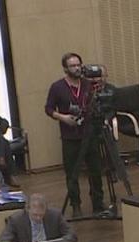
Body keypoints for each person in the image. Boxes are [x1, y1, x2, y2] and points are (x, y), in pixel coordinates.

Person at [45, 52, 104, 219]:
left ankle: (98, 203)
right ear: (65, 69)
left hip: (89, 133)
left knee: (95, 170)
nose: (77, 68)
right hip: (70, 136)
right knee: (72, 173)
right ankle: (75, 204)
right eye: (72, 66)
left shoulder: (88, 84)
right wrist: (63, 117)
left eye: (78, 65)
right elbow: (48, 109)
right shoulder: (57, 87)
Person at [0, 193, 79, 242]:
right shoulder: (16, 219)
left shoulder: (55, 215)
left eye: (41, 215)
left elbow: (72, 235)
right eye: (35, 215)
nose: (38, 218)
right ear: (27, 209)